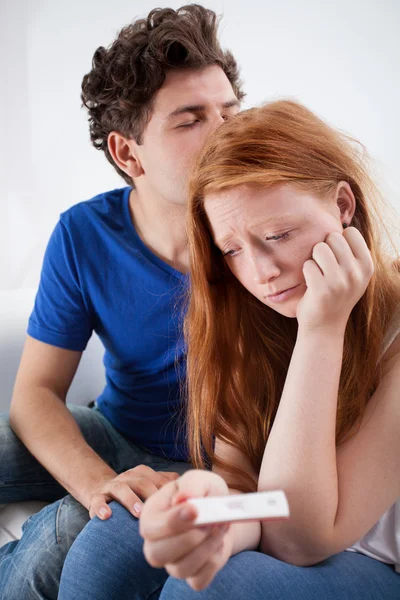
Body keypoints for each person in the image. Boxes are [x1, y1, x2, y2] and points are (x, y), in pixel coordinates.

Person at [59, 101, 400, 599]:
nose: (261, 272)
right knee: (112, 540)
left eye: (278, 235)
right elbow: (252, 500)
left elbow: (299, 537)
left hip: (375, 565)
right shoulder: (247, 320)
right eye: (232, 250)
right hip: (287, 526)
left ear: (343, 206)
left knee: (205, 589)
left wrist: (320, 331)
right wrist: (217, 514)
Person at [0, 5, 243, 599]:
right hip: (112, 428)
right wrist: (99, 482)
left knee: (55, 545)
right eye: (191, 119)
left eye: (231, 113)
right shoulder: (84, 234)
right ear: (128, 153)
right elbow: (34, 396)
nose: (227, 134)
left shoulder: (266, 238)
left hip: (215, 469)